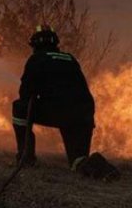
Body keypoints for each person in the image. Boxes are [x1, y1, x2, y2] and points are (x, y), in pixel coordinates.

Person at [11, 25, 96, 170]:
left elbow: (25, 94)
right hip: (84, 116)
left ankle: (26, 158)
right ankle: (96, 168)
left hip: (60, 112)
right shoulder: (70, 59)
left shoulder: (37, 59)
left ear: (35, 45)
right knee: (79, 163)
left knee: (19, 107)